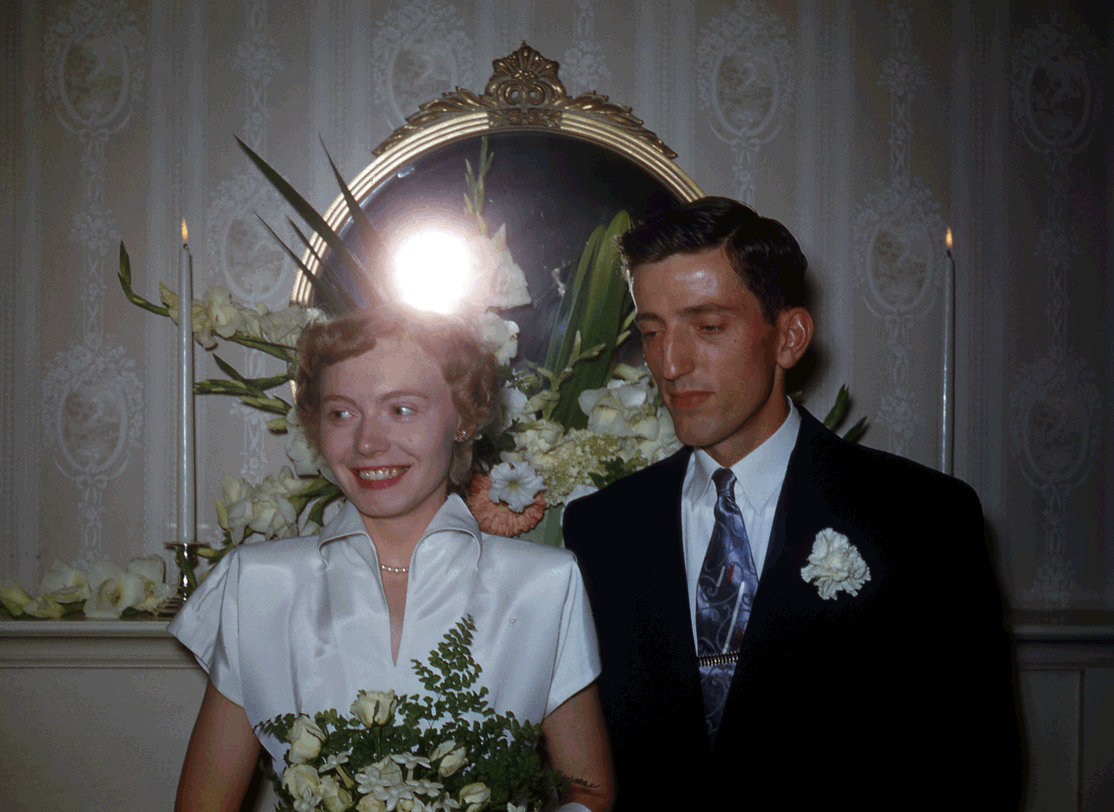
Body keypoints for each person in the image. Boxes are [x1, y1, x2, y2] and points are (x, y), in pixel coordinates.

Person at [563, 197, 1020, 810]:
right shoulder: (601, 529)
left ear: (789, 338)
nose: (670, 364)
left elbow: (977, 768)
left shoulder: (922, 519)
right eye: (651, 332)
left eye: (708, 327)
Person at [170, 306, 614, 812]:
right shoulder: (257, 584)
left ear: (464, 418)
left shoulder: (545, 584)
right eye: (341, 413)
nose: (367, 442)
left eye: (401, 409)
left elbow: (588, 790)